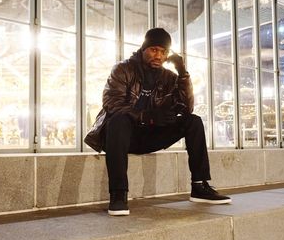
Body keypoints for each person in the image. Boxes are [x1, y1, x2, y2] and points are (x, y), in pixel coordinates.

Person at [84, 28, 231, 216]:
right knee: (118, 120)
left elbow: (186, 108)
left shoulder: (168, 77)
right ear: (144, 49)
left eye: (163, 52)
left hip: (148, 136)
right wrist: (148, 116)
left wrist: (182, 73)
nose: (158, 55)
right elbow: (113, 103)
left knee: (193, 121)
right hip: (118, 137)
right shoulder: (123, 69)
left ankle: (200, 186)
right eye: (154, 49)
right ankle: (118, 195)